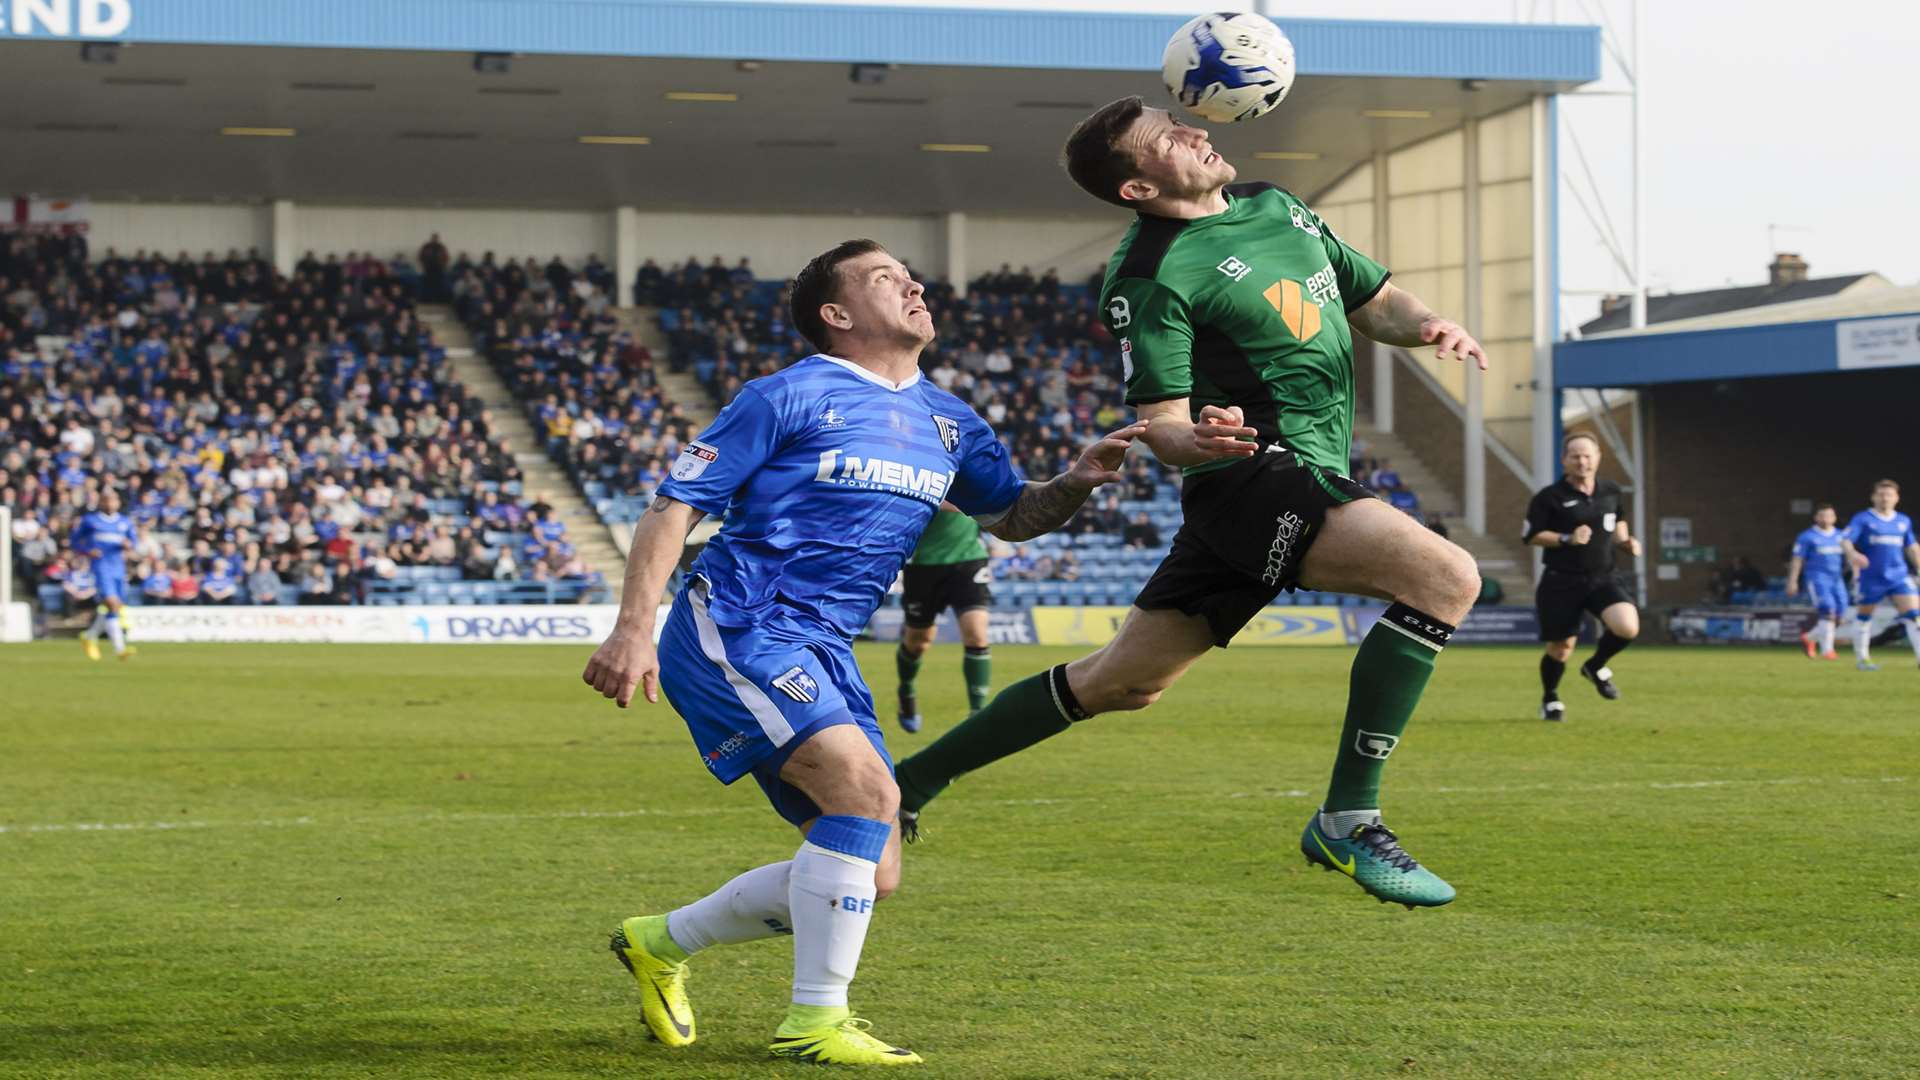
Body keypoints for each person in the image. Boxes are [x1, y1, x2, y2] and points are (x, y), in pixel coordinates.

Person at [888, 96, 1487, 911]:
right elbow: (1161, 426)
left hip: (1284, 482)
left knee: (1122, 684)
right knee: (1445, 576)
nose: (1197, 132)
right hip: (1252, 474)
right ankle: (1349, 818)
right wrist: (1196, 440)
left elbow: (1376, 300)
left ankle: (904, 784)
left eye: (1186, 121)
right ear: (1137, 187)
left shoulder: (1278, 205)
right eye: (1169, 136)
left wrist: (1433, 326)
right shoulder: (1149, 274)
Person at [579, 239, 1141, 1066]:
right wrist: (633, 627)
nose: (913, 284)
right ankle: (814, 1022)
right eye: (886, 278)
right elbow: (674, 507)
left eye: (909, 274)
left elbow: (1012, 515)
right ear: (836, 316)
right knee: (869, 790)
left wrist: (1077, 480)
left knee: (869, 868)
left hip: (826, 643)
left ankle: (660, 942)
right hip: (742, 622)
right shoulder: (785, 396)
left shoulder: (951, 421)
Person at [1523, 432, 1642, 720]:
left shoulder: (1611, 491)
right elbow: (1532, 535)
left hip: (1604, 578)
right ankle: (1550, 698)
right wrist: (1567, 538)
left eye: (1588, 455)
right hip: (1561, 580)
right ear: (1564, 460)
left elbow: (1618, 521)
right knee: (1562, 647)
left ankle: (1595, 665)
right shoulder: (1549, 497)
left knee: (1627, 627)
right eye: (1575, 456)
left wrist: (1625, 542)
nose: (1582, 461)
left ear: (1598, 458)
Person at [894, 507, 995, 734]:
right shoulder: (919, 471)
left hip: (969, 561)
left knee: (977, 635)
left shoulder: (974, 471)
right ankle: (906, 689)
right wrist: (969, 500)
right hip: (923, 567)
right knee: (918, 642)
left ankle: (978, 714)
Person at [1838, 479, 1920, 671]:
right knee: (1864, 617)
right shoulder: (1863, 518)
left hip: (1899, 576)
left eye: (1889, 494)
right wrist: (1853, 554)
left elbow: (1912, 547)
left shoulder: (1903, 521)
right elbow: (1845, 540)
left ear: (1896, 498)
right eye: (1881, 494)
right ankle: (1863, 659)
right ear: (1873, 497)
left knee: (1915, 617)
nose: (1885, 498)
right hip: (1872, 577)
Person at [70, 488, 137, 661]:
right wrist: (87, 551)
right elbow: (75, 541)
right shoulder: (90, 520)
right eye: (106, 500)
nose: (110, 503)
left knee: (114, 606)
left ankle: (90, 636)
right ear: (101, 502)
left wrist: (128, 545)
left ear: (118, 502)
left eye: (113, 500)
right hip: (100, 567)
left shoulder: (125, 522)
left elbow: (133, 542)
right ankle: (120, 649)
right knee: (112, 604)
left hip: (118, 567)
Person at [1785, 504, 1846, 660]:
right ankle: (1828, 650)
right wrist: (1793, 581)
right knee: (1828, 610)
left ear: (1834, 518)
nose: (1826, 519)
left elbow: (1851, 556)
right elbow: (1798, 559)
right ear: (1816, 518)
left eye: (1829, 516)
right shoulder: (1807, 537)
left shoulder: (1841, 536)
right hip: (1817, 578)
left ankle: (1810, 637)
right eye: (1822, 516)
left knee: (1840, 616)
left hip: (1837, 579)